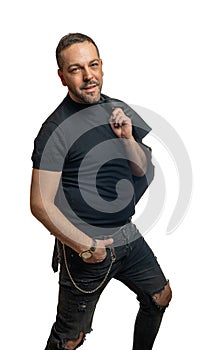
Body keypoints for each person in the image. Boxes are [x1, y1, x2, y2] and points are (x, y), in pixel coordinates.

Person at [30, 33, 172, 350]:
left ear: (102, 67)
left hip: (127, 235)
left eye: (93, 65)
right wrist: (84, 246)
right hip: (85, 248)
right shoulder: (55, 130)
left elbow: (141, 168)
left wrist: (126, 138)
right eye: (76, 68)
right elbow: (39, 203)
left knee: (160, 296)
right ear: (62, 76)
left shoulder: (118, 109)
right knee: (70, 338)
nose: (88, 75)